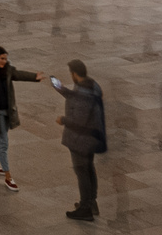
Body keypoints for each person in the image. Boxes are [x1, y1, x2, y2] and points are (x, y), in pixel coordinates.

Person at [0, 46, 45, 192]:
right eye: (2, 59)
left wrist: (34, 77)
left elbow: (18, 74)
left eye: (6, 59)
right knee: (3, 143)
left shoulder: (7, 70)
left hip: (7, 111)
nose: (4, 61)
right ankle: (8, 176)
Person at [53, 59, 107, 221]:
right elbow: (79, 98)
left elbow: (79, 121)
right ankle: (91, 203)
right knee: (88, 169)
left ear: (75, 74)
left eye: (71, 74)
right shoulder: (92, 86)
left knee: (82, 171)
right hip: (91, 138)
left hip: (81, 140)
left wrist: (63, 120)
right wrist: (62, 90)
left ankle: (85, 209)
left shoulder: (83, 93)